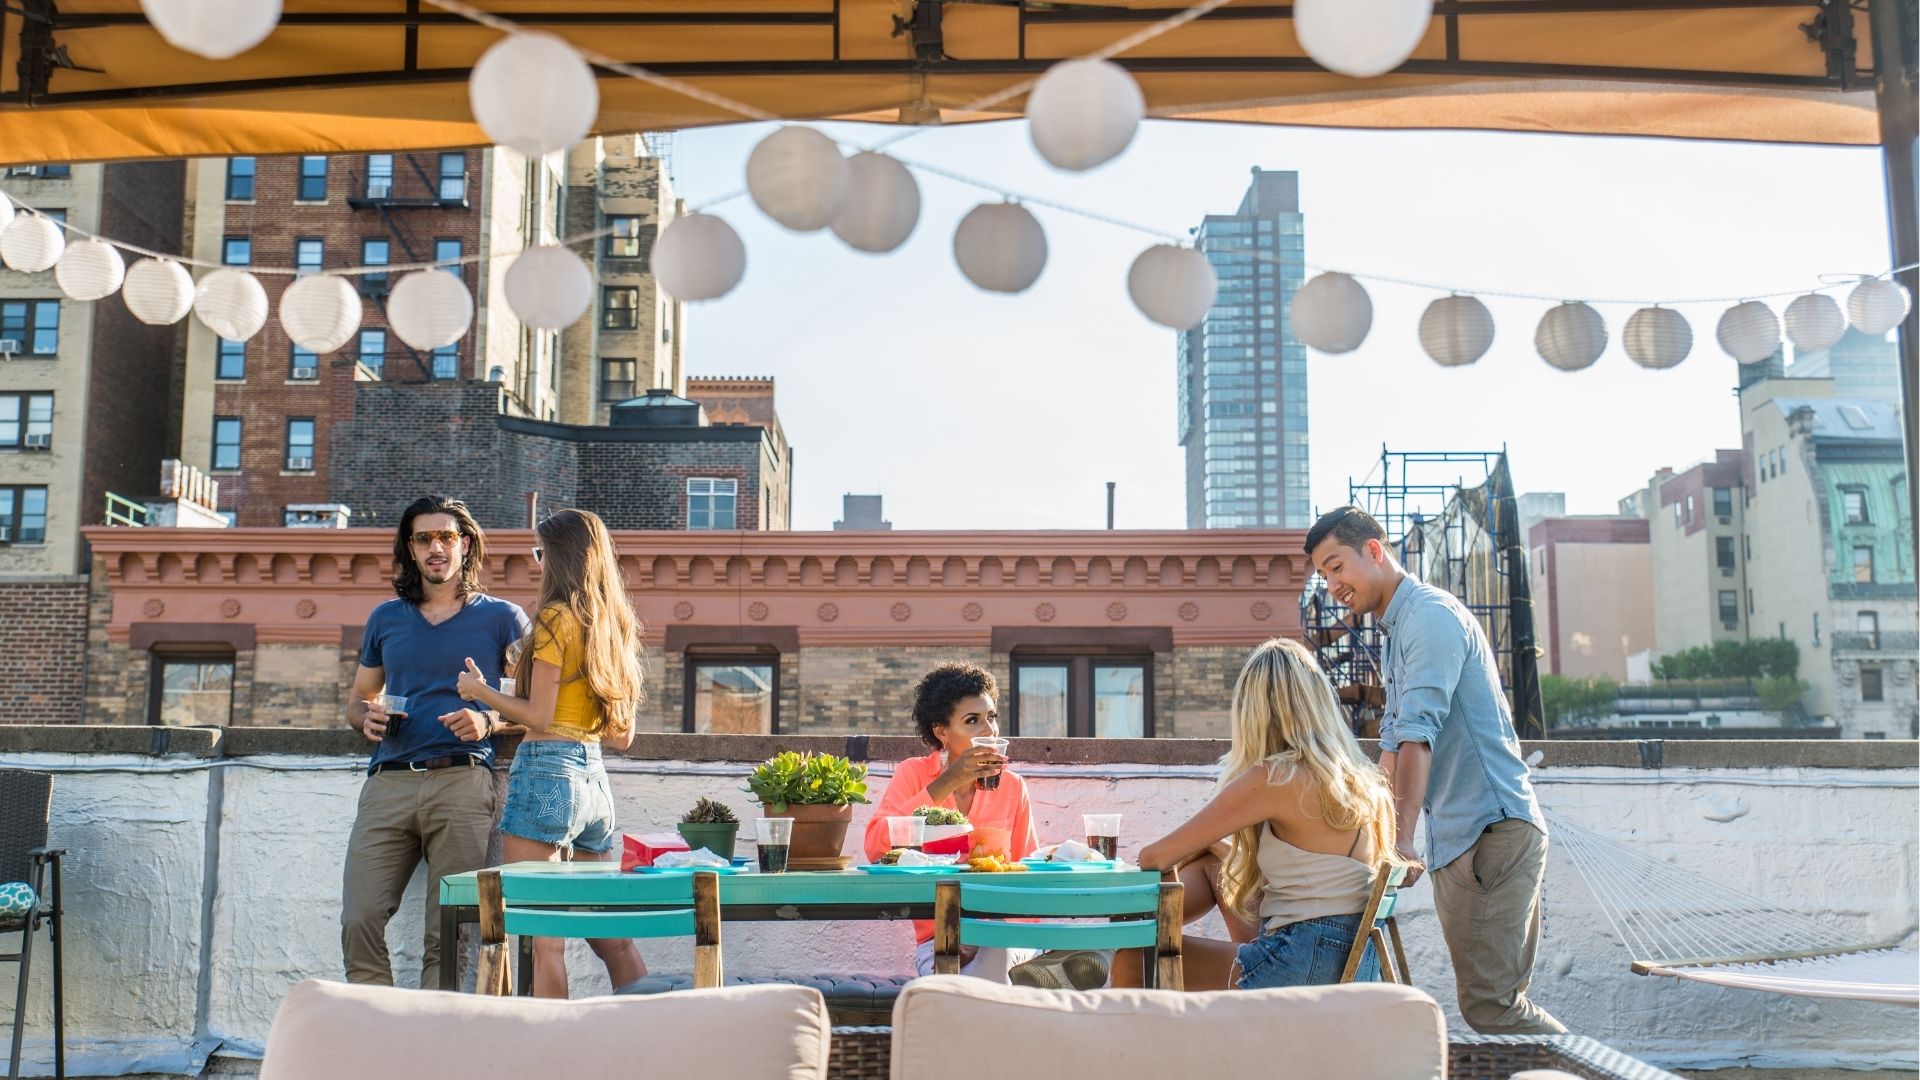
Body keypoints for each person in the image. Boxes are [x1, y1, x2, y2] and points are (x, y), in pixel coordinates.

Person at [1305, 505, 1564, 1034]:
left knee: (1495, 1008)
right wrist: (1368, 831)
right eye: (1322, 575)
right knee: (1494, 1006)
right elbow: (1394, 745)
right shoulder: (1400, 627)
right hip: (1466, 836)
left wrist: (1400, 840)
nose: (1331, 585)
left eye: (1336, 567)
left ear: (1373, 551)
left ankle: (1599, 1070)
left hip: (1488, 831)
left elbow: (1417, 734)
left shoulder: (1429, 617)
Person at [1123, 638, 1405, 990]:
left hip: (1300, 963)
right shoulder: (1368, 782)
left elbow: (1154, 857)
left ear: (1253, 711)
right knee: (1214, 868)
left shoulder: (1276, 776)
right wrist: (1213, 849)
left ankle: (1146, 1037)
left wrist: (1204, 845)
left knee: (1133, 958)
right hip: (1356, 962)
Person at [456, 508, 647, 999]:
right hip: (594, 782)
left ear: (559, 557)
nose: (537, 563)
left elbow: (538, 717)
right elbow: (622, 735)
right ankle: (653, 1035)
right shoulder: (616, 624)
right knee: (613, 938)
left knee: (547, 940)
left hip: (546, 772)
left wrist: (479, 690)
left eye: (541, 553)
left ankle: (552, 1057)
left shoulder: (555, 619)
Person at [343, 495, 529, 989]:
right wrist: (366, 716)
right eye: (424, 538)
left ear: (465, 545)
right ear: (410, 548)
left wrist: (488, 719)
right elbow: (359, 697)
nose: (436, 547)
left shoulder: (504, 619)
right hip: (388, 782)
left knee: (449, 933)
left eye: (447, 537)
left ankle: (433, 1042)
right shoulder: (386, 617)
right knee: (359, 916)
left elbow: (538, 709)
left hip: (462, 782)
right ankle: (378, 1030)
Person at [863, 662, 1103, 987]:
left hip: (1005, 934)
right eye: (972, 720)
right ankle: (1038, 980)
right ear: (941, 731)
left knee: (1002, 953)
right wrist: (947, 782)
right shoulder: (914, 774)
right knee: (990, 984)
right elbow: (877, 846)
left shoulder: (1013, 787)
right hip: (941, 941)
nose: (990, 731)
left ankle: (1035, 968)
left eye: (991, 717)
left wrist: (990, 929)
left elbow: (1026, 875)